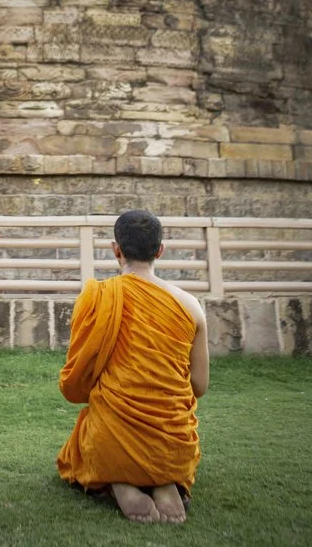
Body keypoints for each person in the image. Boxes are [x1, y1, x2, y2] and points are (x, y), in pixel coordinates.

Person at [56, 209, 209, 525]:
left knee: (84, 438)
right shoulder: (190, 305)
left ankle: (120, 478)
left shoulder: (98, 297)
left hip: (113, 436)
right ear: (160, 251)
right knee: (164, 436)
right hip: (173, 440)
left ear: (116, 249)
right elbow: (199, 386)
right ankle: (165, 479)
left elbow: (77, 382)